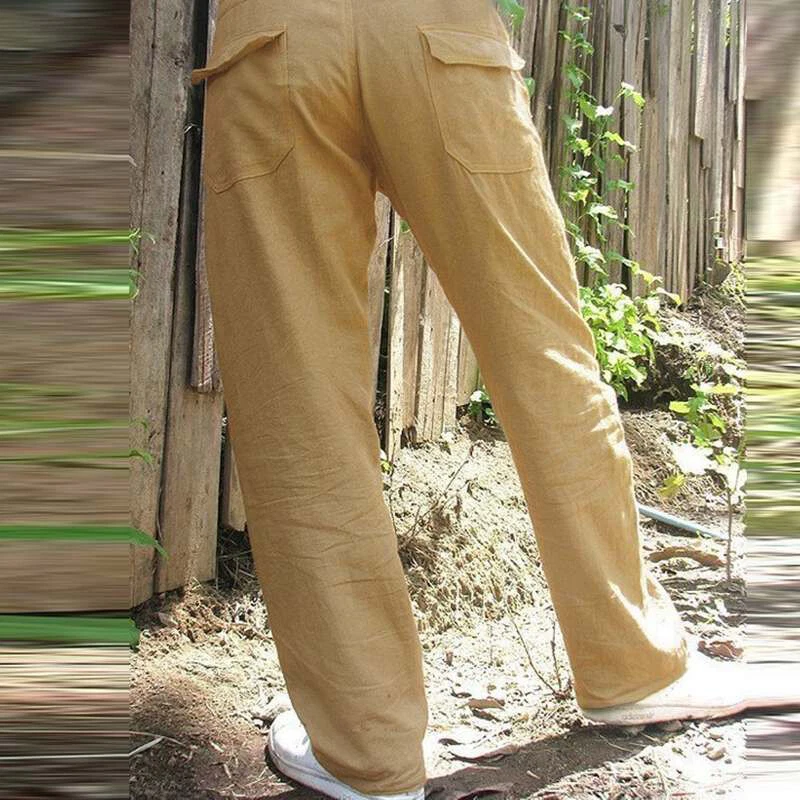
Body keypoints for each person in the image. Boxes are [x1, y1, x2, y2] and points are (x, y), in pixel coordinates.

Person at [190, 2, 796, 799]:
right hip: (438, 31)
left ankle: (366, 749)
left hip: (273, 40)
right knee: (544, 357)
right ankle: (633, 665)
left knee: (299, 403)